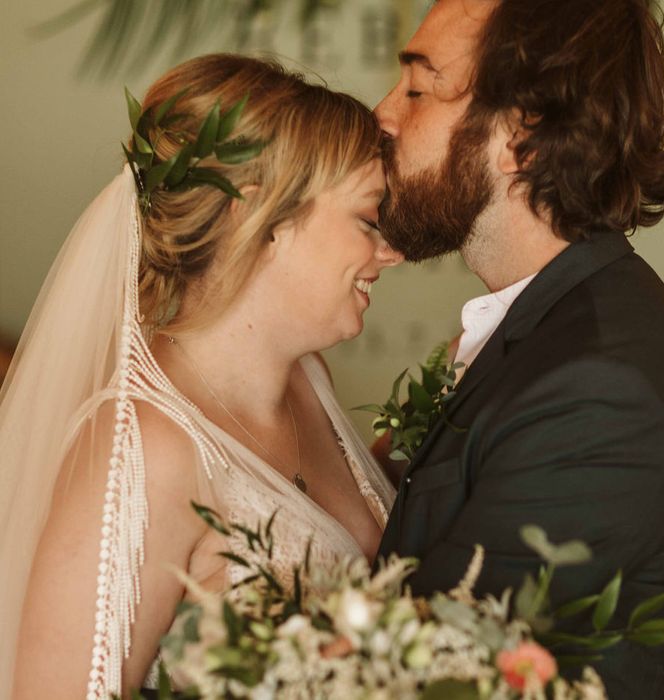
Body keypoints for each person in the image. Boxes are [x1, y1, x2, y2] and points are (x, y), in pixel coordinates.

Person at [0, 54, 403, 699]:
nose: (390, 251)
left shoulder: (310, 380)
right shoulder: (144, 450)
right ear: (265, 223)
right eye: (366, 219)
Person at [374, 1, 664, 698]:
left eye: (418, 89)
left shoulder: (598, 392)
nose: (382, 113)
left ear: (522, 138)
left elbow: (418, 675)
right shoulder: (546, 324)